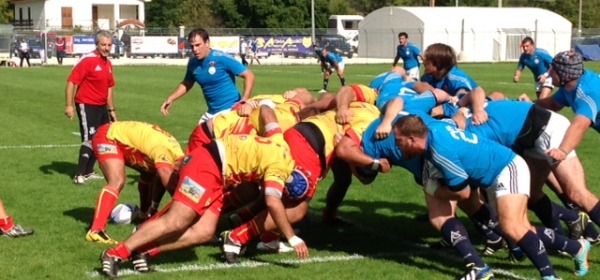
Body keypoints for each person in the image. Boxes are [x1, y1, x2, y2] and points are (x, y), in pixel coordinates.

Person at [99, 106, 305, 278]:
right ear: (285, 184)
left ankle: (143, 250)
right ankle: (115, 253)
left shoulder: (281, 145)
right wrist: (292, 237)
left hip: (216, 170)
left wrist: (253, 106)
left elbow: (267, 110)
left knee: (204, 232)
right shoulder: (279, 171)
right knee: (177, 219)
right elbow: (272, 202)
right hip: (207, 166)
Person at [393, 115, 591, 279]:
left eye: (399, 142)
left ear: (412, 139)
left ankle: (550, 276)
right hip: (498, 171)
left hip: (507, 168)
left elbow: (463, 193)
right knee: (518, 227)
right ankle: (577, 248)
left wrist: (435, 190)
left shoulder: (440, 152)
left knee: (511, 226)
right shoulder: (433, 127)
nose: (397, 147)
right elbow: (458, 120)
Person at [525, 50, 600, 234]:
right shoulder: (571, 87)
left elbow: (579, 125)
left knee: (576, 193)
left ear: (565, 74)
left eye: (554, 69)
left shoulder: (586, 93)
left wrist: (563, 150)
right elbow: (551, 104)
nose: (549, 72)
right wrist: (525, 105)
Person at [85, 121, 184, 244]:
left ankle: (144, 215)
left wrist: (153, 209)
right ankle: (96, 231)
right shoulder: (163, 152)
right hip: (108, 137)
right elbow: (167, 179)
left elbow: (162, 176)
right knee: (117, 180)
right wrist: (187, 208)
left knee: (149, 173)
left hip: (124, 138)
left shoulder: (177, 155)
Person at [160, 29, 255, 124]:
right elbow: (187, 83)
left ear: (207, 43)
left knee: (215, 137)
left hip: (229, 110)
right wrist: (171, 98)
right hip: (211, 113)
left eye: (198, 45)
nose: (195, 49)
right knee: (196, 138)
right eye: (192, 46)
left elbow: (249, 75)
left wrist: (244, 101)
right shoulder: (193, 63)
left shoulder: (221, 58)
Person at [64, 30, 117, 185]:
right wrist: (69, 105)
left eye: (109, 45)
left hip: (101, 106)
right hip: (86, 104)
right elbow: (71, 82)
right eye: (103, 45)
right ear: (97, 44)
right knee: (89, 138)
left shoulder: (108, 63)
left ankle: (88, 171)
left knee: (101, 138)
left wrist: (111, 110)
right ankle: (79, 174)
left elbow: (109, 88)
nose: (106, 48)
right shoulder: (88, 60)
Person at [420, 43, 488, 125]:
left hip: (466, 112)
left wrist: (455, 98)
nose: (424, 61)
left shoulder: (454, 76)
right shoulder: (427, 78)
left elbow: (463, 92)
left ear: (437, 63)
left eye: (428, 60)